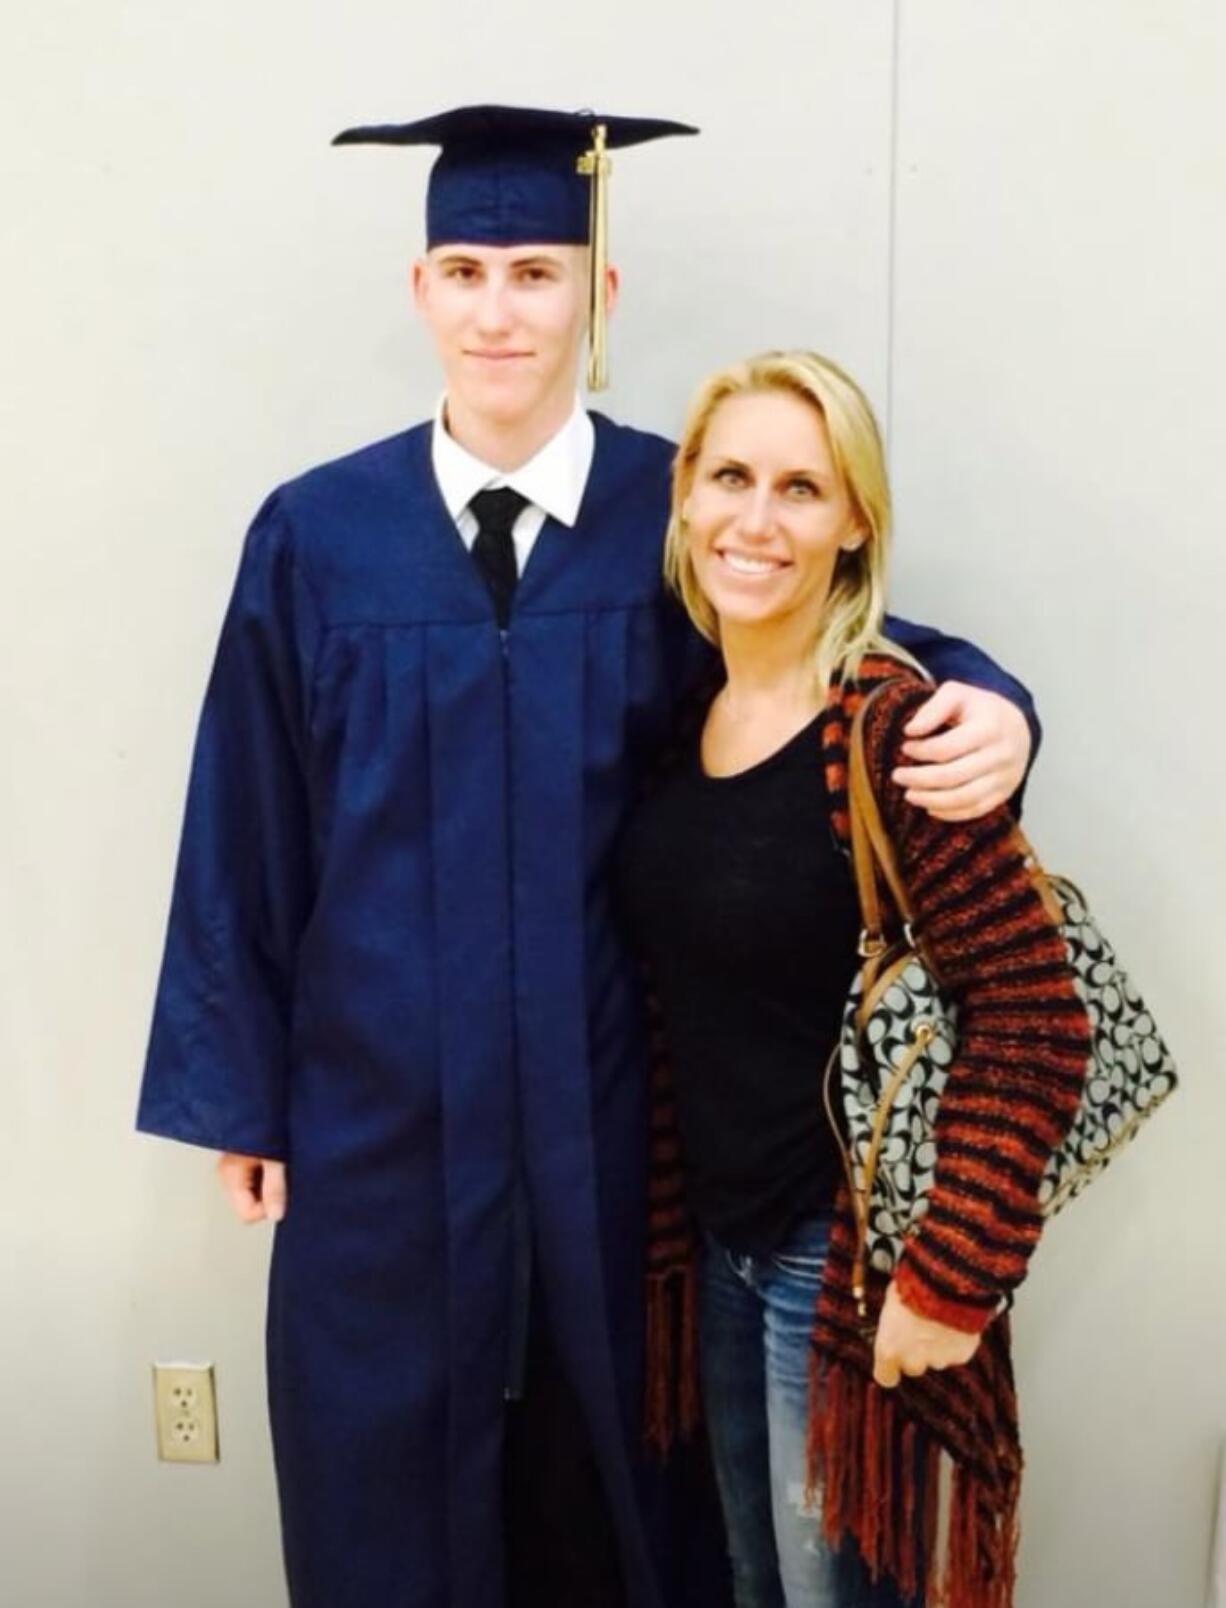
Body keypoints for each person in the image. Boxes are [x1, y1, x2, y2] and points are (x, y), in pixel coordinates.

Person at [137, 106, 1044, 1608]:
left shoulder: (675, 517)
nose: (502, 309)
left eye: (539, 272)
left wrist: (994, 704)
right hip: (377, 1110)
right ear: (421, 290)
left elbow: (842, 640)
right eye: (469, 270)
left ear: (598, 296)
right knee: (384, 1486)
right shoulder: (315, 533)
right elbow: (245, 822)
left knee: (626, 1486)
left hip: (613, 1117)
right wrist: (243, 1093)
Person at [620, 350, 1092, 1608]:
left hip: (843, 1268)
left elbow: (1037, 1023)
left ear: (852, 522)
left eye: (799, 488)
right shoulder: (684, 720)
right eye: (729, 477)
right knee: (747, 1580)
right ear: (683, 496)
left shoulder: (896, 733)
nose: (755, 521)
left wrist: (951, 1273)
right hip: (715, 1247)